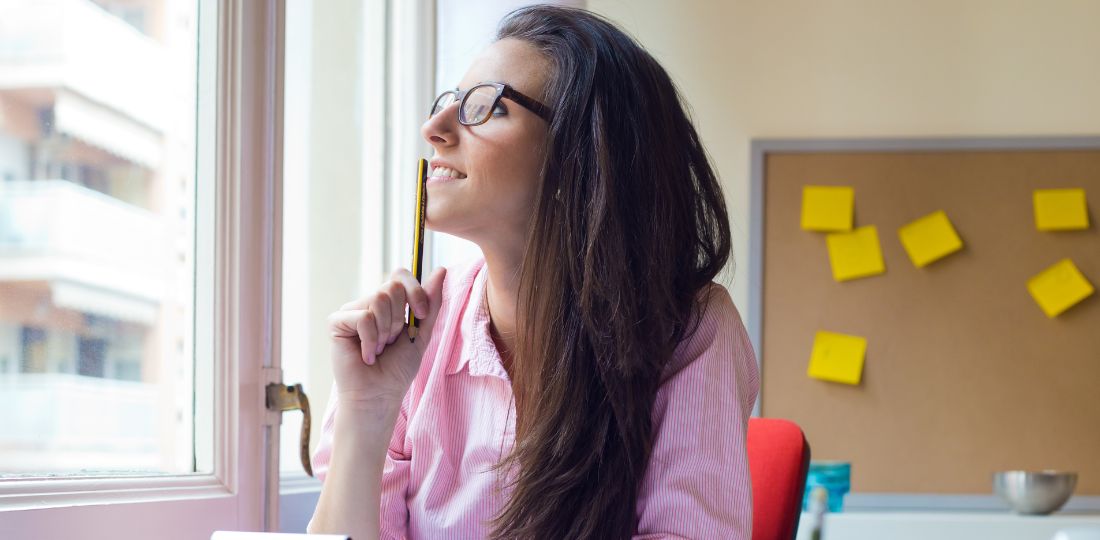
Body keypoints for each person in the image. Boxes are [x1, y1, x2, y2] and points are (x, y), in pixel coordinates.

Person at [307, 5, 758, 539]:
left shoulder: (689, 327)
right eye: (448, 103)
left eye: (485, 107)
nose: (434, 129)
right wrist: (367, 409)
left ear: (584, 151)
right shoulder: (410, 337)